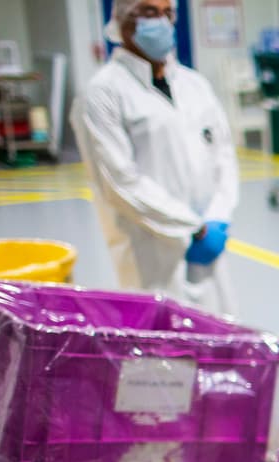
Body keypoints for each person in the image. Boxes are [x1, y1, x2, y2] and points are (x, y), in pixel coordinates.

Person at [71, 0, 239, 315]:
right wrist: (191, 227)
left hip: (210, 240)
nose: (160, 22)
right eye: (149, 12)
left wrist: (218, 217)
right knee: (160, 351)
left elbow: (223, 156)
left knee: (220, 338)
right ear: (121, 21)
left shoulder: (195, 85)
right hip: (151, 249)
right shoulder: (102, 94)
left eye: (167, 13)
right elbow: (120, 183)